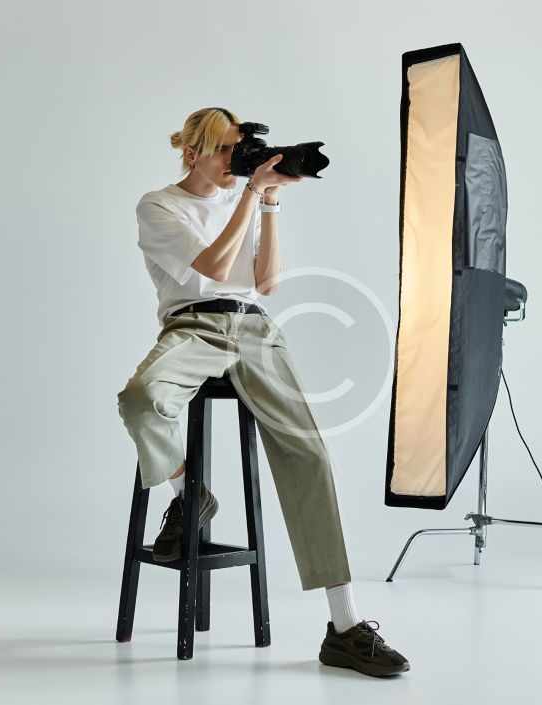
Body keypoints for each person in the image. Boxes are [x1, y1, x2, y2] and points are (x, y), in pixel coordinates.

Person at [117, 106, 410, 677]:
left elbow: (268, 283)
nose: (237, 159)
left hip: (254, 328)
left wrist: (270, 202)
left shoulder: (245, 198)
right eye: (225, 149)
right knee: (141, 399)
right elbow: (209, 267)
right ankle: (188, 495)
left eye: (240, 148)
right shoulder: (159, 205)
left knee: (309, 454)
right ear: (193, 153)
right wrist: (251, 195)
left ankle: (345, 626)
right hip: (193, 326)